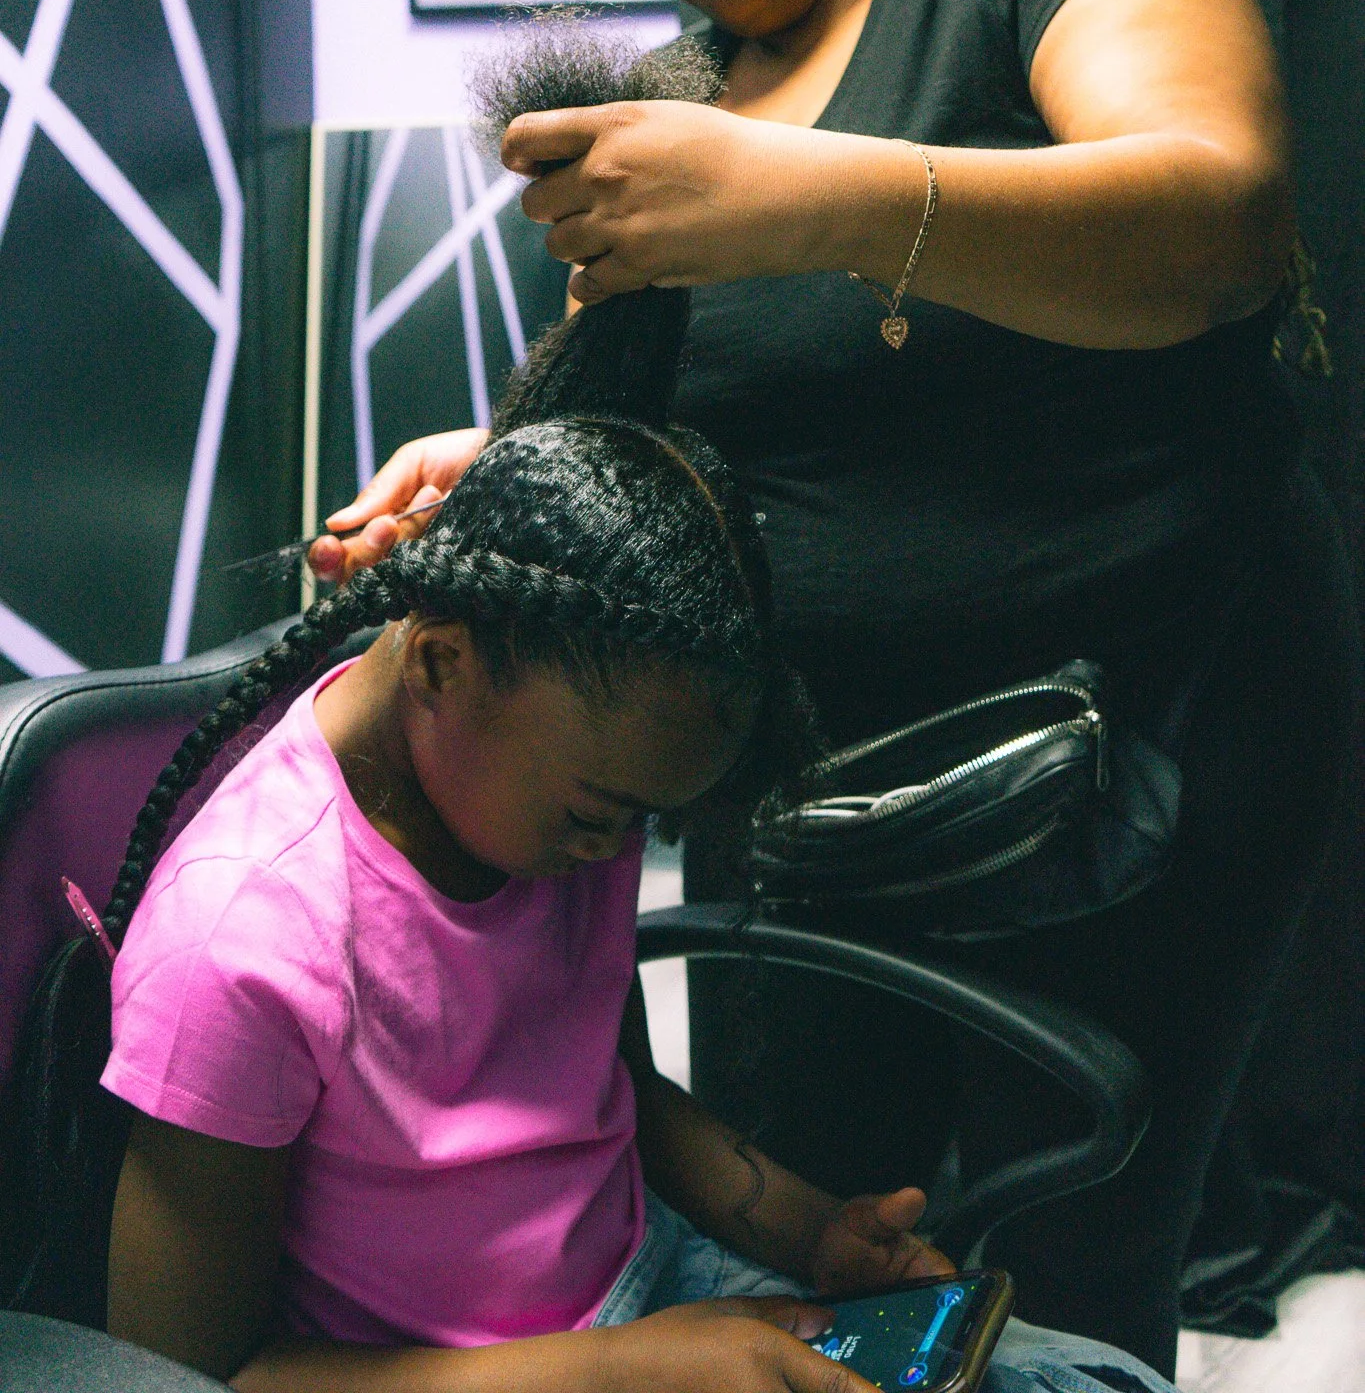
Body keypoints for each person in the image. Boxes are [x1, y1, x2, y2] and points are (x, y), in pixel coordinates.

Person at [310, 0, 1361, 1378]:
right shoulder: (678, 94)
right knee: (818, 1235)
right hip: (803, 790)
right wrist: (492, 464)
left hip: (1145, 741)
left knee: (1077, 1246)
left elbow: (1222, 221)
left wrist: (808, 196)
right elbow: (673, 415)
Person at [91, 111, 1180, 1393]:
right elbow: (193, 1378)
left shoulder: (546, 786)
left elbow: (601, 1086)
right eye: (599, 813)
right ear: (440, 661)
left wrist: (808, 1232)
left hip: (646, 1288)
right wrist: (627, 1369)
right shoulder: (241, 943)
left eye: (641, 822)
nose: (614, 850)